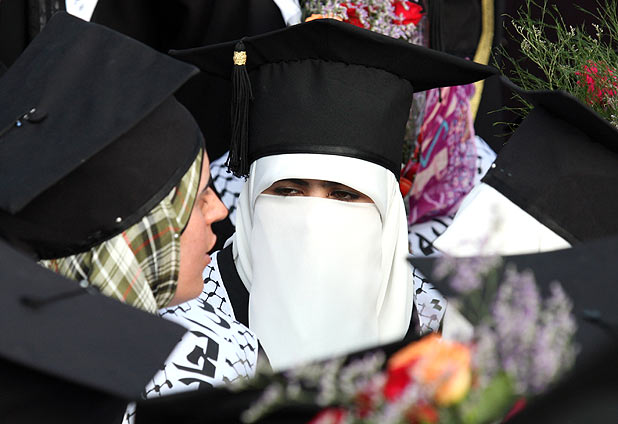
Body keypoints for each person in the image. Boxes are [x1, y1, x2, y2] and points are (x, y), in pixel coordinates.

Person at [163, 18, 498, 370]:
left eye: (344, 195)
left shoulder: (440, 324)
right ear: (251, 197)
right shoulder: (188, 329)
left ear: (387, 208)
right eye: (288, 191)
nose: (312, 218)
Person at [0, 12, 259, 400]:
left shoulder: (222, 348)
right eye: (197, 197)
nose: (219, 212)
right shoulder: (41, 394)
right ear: (137, 232)